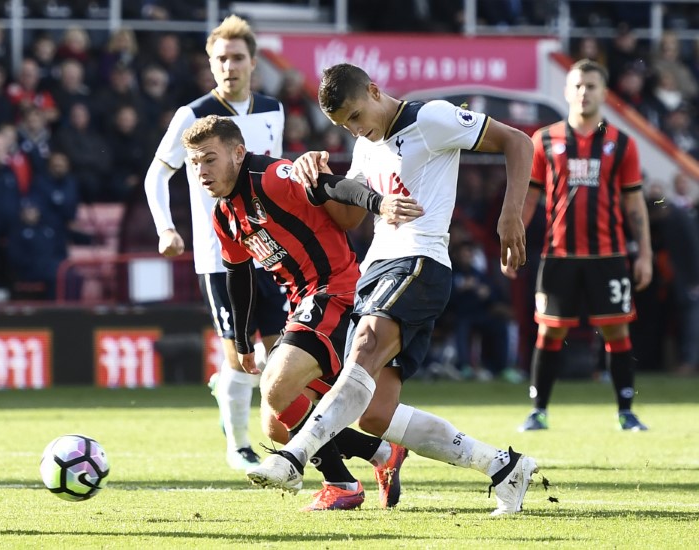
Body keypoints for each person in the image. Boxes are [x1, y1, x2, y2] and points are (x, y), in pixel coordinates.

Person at [246, 62, 538, 516]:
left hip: (420, 262)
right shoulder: (365, 145)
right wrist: (319, 182)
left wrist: (510, 213)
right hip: (375, 270)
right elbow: (350, 218)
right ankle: (504, 467)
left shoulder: (431, 119)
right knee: (376, 416)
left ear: (374, 90)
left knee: (362, 346)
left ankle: (293, 456)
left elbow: (517, 141)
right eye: (344, 125)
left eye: (356, 117)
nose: (355, 129)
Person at [183, 114, 418, 510]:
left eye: (209, 159)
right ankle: (382, 453)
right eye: (194, 164)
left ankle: (341, 484)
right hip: (303, 302)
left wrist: (379, 203)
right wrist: (242, 340)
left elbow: (330, 186)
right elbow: (238, 277)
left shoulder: (271, 175)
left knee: (276, 388)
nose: (201, 172)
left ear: (238, 153)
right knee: (276, 424)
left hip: (337, 289)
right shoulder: (225, 215)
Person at [144, 15, 288, 471]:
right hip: (219, 255)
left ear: (253, 62)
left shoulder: (273, 110)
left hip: (270, 251)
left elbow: (271, 178)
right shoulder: (193, 115)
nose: (229, 66)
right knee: (243, 357)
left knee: (284, 353)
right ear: (210, 65)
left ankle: (280, 429)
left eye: (237, 57)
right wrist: (167, 228)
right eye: (221, 59)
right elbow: (156, 173)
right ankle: (240, 444)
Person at [504, 59, 653, 432]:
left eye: (592, 86)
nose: (584, 92)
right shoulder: (545, 140)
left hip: (610, 255)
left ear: (604, 93)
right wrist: (512, 243)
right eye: (578, 85)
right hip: (559, 256)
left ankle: (626, 411)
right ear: (568, 92)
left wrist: (645, 254)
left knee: (618, 331)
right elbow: (530, 200)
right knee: (550, 331)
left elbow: (635, 204)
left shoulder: (622, 143)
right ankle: (538, 411)